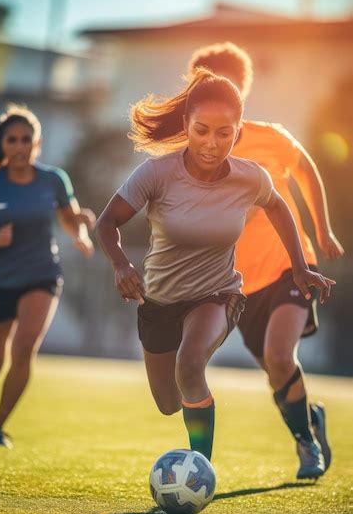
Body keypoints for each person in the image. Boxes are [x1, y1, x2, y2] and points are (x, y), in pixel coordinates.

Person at [95, 69, 334, 478]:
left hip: (217, 295)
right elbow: (106, 223)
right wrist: (120, 263)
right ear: (186, 125)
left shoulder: (249, 177)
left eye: (224, 133)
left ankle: (198, 470)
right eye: (202, 130)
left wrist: (299, 267)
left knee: (191, 363)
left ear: (237, 133)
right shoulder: (156, 173)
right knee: (169, 402)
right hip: (158, 302)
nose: (211, 143)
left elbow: (278, 207)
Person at [188, 42, 344, 478]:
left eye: (229, 88)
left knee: (280, 356)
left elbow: (308, 169)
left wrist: (322, 228)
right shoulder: (192, 149)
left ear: (242, 91)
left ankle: (307, 446)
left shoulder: (270, 137)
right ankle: (309, 419)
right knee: (277, 374)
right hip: (235, 284)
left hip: (287, 267)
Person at [0, 104, 95, 448]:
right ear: (1, 145)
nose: (19, 146)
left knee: (24, 349)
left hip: (41, 276)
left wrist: (80, 230)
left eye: (26, 140)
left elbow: (68, 215)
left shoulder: (53, 179)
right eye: (12, 140)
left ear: (36, 143)